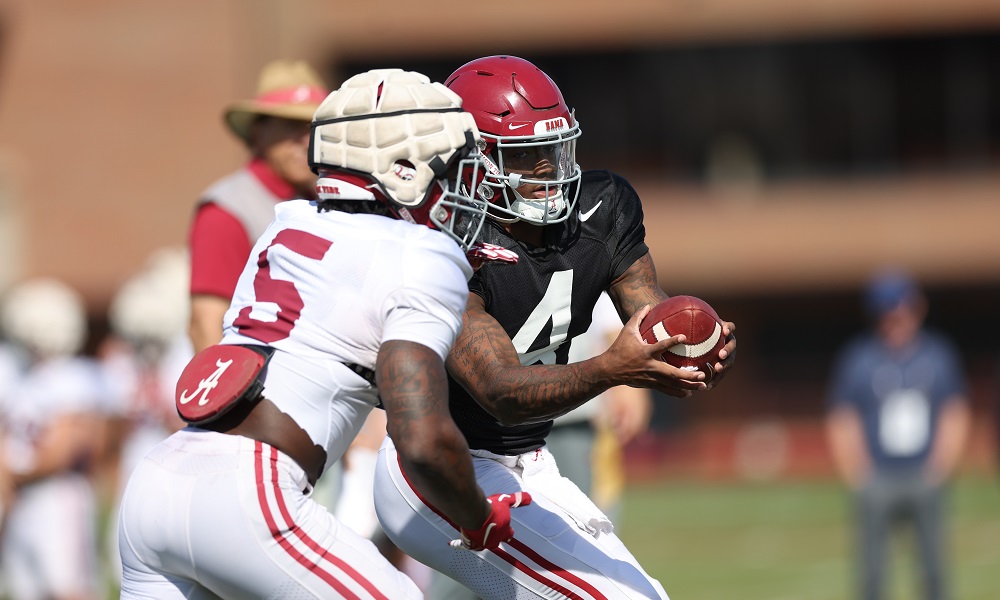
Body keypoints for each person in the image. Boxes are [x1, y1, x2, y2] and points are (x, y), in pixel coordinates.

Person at [118, 68, 528, 599]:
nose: (467, 188)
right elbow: (422, 440)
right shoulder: (422, 254)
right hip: (250, 492)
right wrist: (478, 517)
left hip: (157, 484)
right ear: (403, 171)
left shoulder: (285, 225)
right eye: (451, 169)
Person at [374, 55, 736, 600]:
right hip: (439, 467)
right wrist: (614, 368)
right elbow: (500, 391)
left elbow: (648, 311)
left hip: (528, 462)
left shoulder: (601, 209)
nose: (549, 169)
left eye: (553, 149)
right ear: (470, 162)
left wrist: (688, 346)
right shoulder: (446, 241)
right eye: (526, 156)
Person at [825, 269, 970, 600]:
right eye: (887, 309)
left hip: (924, 473)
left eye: (902, 307)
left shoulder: (938, 355)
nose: (896, 317)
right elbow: (843, 416)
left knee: (934, 567)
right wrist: (858, 471)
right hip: (878, 475)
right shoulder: (860, 359)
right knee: (873, 572)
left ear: (917, 307)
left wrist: (941, 465)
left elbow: (954, 410)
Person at [188, 59, 329, 351]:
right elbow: (206, 324)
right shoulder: (226, 211)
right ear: (258, 132)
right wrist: (232, 397)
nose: (306, 140)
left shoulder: (324, 198)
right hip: (257, 385)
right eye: (292, 125)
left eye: (314, 126)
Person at [0, 279, 108, 600]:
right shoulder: (14, 369)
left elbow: (64, 450)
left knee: (68, 589)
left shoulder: (74, 375)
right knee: (25, 589)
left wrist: (11, 475)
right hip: (21, 500)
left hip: (55, 495)